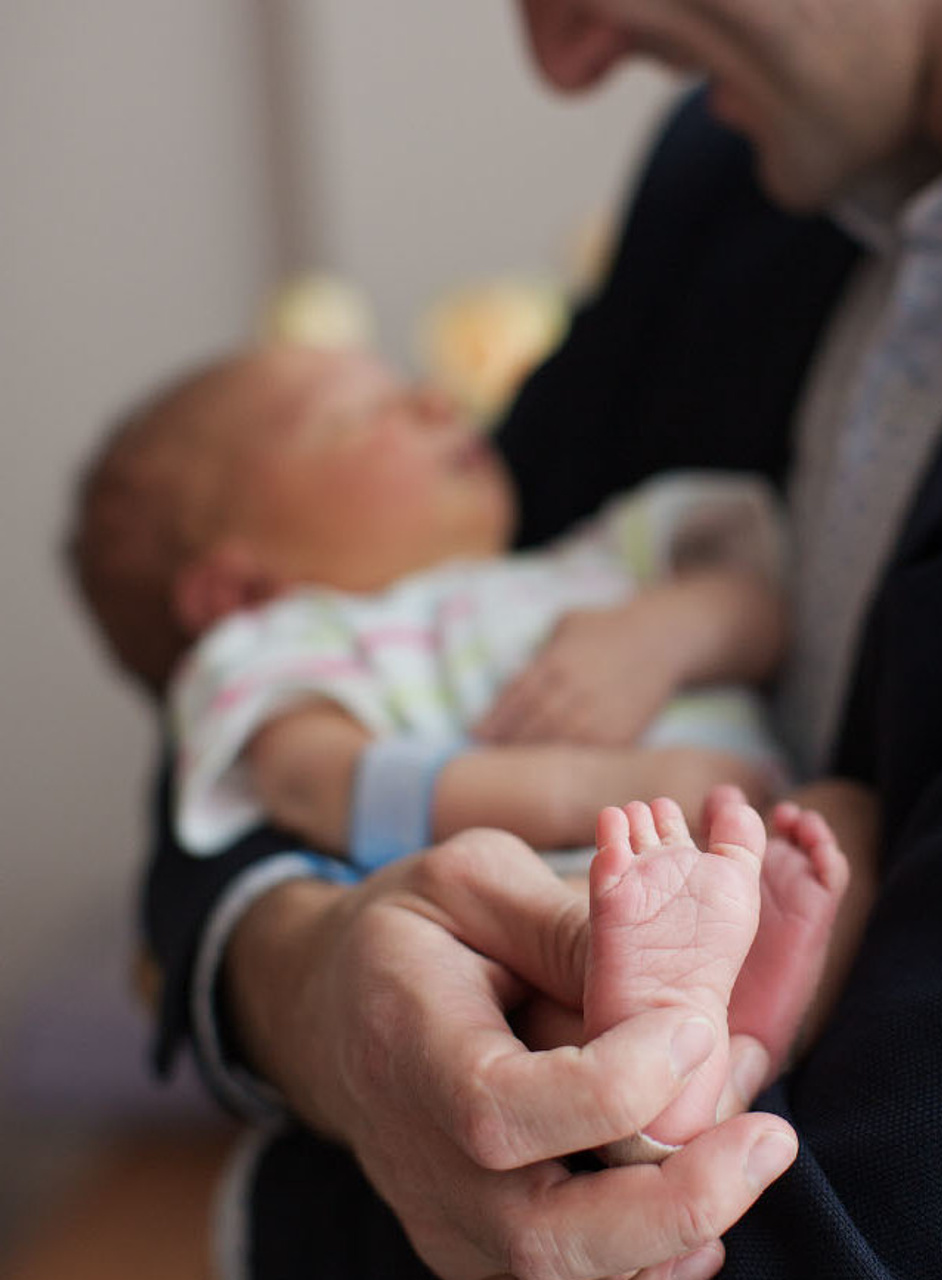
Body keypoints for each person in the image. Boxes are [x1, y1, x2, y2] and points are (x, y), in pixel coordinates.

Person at [140, 0, 942, 1275]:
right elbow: (308, 671)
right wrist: (316, 981)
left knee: (820, 836)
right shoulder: (732, 175)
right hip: (595, 935)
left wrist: (330, 1173)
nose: (565, 62)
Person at [70, 344, 855, 1158]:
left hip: (750, 840)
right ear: (237, 590)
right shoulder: (291, 642)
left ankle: (731, 1050)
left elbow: (759, 613)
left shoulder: (591, 558)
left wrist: (663, 635)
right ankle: (671, 1083)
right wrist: (607, 786)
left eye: (410, 387)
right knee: (533, 992)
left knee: (842, 824)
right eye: (357, 417)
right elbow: (319, 784)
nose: (438, 403)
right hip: (569, 893)